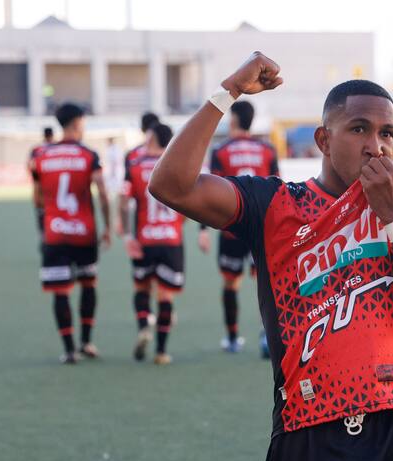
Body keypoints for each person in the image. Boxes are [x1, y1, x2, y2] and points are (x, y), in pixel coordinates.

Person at [149, 52, 393, 461]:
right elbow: (170, 184)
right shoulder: (273, 205)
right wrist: (228, 89)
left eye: (387, 134)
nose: (376, 146)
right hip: (306, 435)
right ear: (323, 139)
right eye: (359, 129)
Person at [29, 103, 111, 364]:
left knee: (60, 291)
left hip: (54, 234)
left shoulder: (41, 155)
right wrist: (107, 225)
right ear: (77, 122)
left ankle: (68, 349)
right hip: (83, 232)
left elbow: (38, 196)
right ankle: (87, 341)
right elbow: (102, 191)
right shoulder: (88, 154)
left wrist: (46, 221)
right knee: (88, 285)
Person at [198, 100, 279, 354]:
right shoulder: (267, 149)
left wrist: (202, 230)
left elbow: (208, 191)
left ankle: (232, 338)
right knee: (265, 283)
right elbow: (278, 188)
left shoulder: (221, 151)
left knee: (230, 283)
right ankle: (267, 337)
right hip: (263, 227)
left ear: (233, 119)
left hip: (232, 227)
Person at [119, 123, 184, 365]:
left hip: (145, 238)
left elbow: (124, 202)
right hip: (170, 239)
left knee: (142, 288)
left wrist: (127, 235)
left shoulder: (135, 165)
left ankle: (144, 324)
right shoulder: (177, 166)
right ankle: (162, 351)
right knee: (165, 296)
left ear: (152, 138)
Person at [28, 127, 55, 245]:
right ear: (52, 135)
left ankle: (43, 236)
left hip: (40, 187)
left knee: (40, 212)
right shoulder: (57, 147)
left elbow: (31, 166)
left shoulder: (36, 149)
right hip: (54, 185)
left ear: (43, 135)